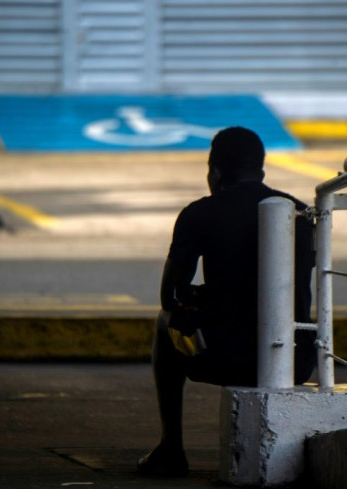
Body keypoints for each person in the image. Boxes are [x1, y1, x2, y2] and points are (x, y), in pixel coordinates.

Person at [137, 126, 316, 477]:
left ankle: (171, 448)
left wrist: (202, 295)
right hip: (297, 357)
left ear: (214, 172)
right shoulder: (301, 213)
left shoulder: (200, 213)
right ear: (261, 171)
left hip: (227, 357)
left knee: (163, 323)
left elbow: (170, 296)